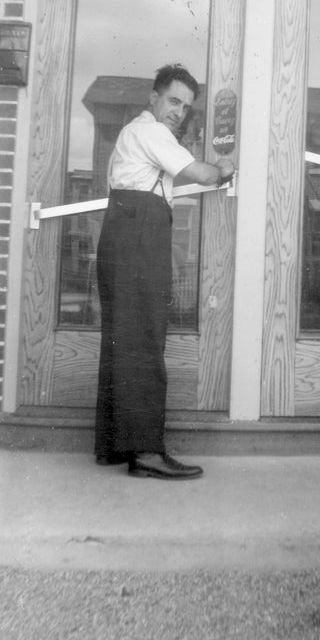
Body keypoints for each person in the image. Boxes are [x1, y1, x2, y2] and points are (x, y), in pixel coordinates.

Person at [94, 64, 235, 480]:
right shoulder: (150, 131)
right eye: (173, 100)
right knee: (143, 342)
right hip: (137, 231)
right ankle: (147, 452)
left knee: (124, 341)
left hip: (126, 231)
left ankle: (115, 446)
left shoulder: (135, 135)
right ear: (153, 99)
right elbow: (201, 173)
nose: (179, 111)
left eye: (186, 106)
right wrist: (224, 168)